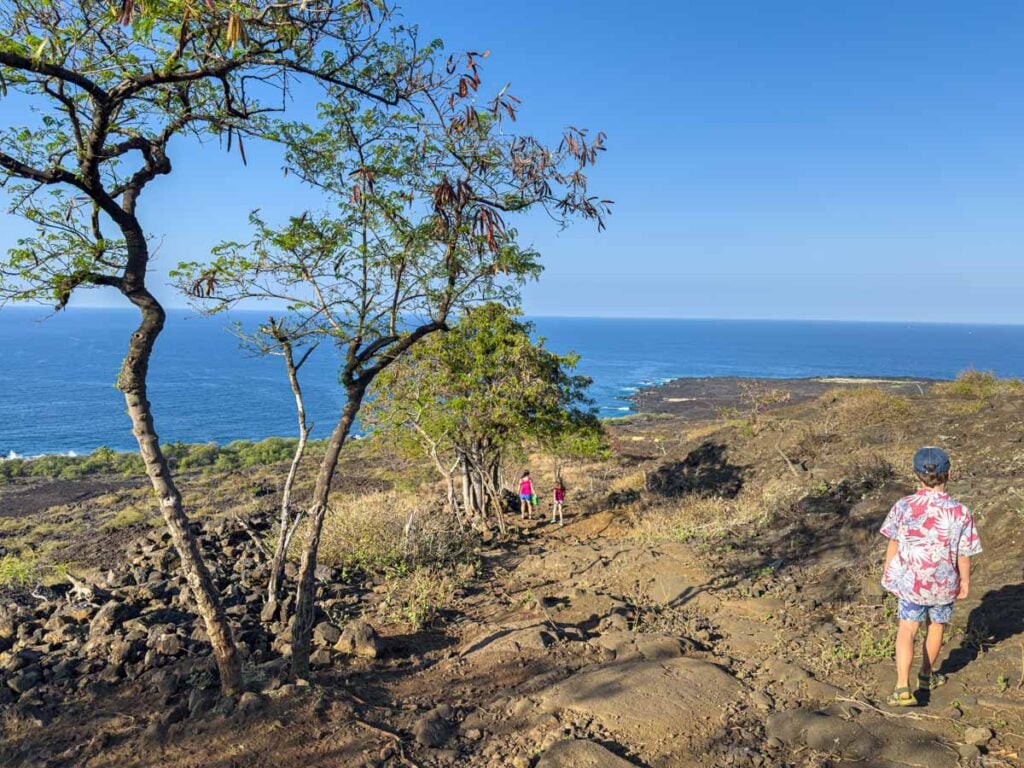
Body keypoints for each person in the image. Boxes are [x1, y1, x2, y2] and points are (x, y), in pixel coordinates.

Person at [880, 446, 982, 707]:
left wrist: (889, 572)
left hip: (911, 581)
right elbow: (964, 554)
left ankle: (902, 687)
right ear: (949, 474)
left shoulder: (904, 506)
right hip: (944, 582)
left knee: (907, 629)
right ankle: (925, 676)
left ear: (916, 475)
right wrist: (965, 581)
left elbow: (893, 542)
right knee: (935, 626)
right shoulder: (960, 511)